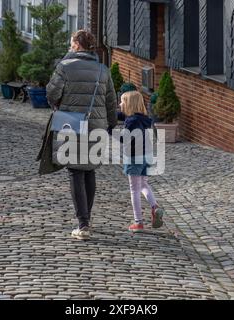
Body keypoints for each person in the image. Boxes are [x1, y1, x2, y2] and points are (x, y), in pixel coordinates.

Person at [46, 30, 118, 241]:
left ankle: (83, 223)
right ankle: (86, 219)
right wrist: (110, 124)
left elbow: (51, 93)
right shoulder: (103, 70)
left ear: (77, 44)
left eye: (71, 43)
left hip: (71, 124)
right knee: (89, 170)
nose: (70, 46)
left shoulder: (65, 67)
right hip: (97, 126)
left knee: (76, 171)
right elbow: (110, 101)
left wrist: (57, 105)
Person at [118, 91, 165, 233]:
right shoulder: (144, 119)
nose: (120, 104)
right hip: (147, 156)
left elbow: (124, 139)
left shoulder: (131, 122)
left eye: (122, 102)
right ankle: (154, 206)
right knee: (144, 184)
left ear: (129, 105)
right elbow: (121, 115)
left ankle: (138, 222)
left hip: (134, 157)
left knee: (134, 189)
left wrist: (109, 130)